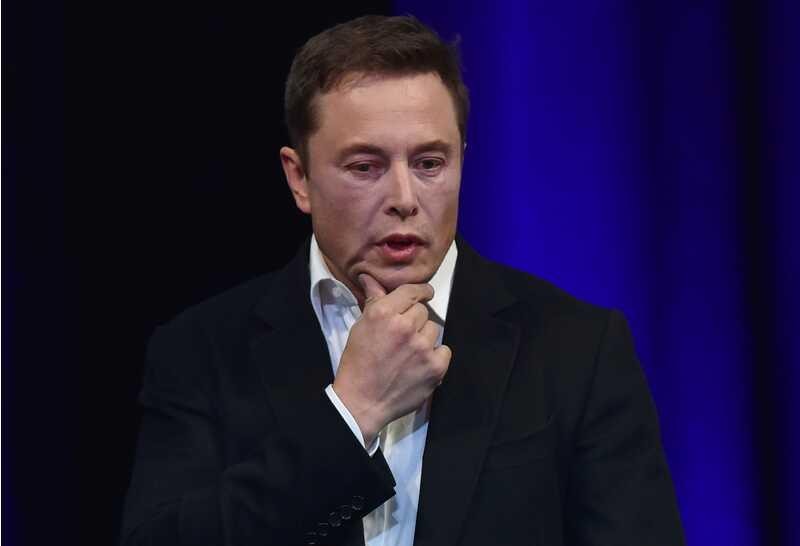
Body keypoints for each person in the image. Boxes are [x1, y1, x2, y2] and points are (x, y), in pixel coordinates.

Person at [120, 14, 685, 546]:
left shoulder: (577, 348)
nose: (404, 198)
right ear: (299, 178)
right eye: (365, 167)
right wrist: (353, 412)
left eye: (429, 163)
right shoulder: (201, 350)